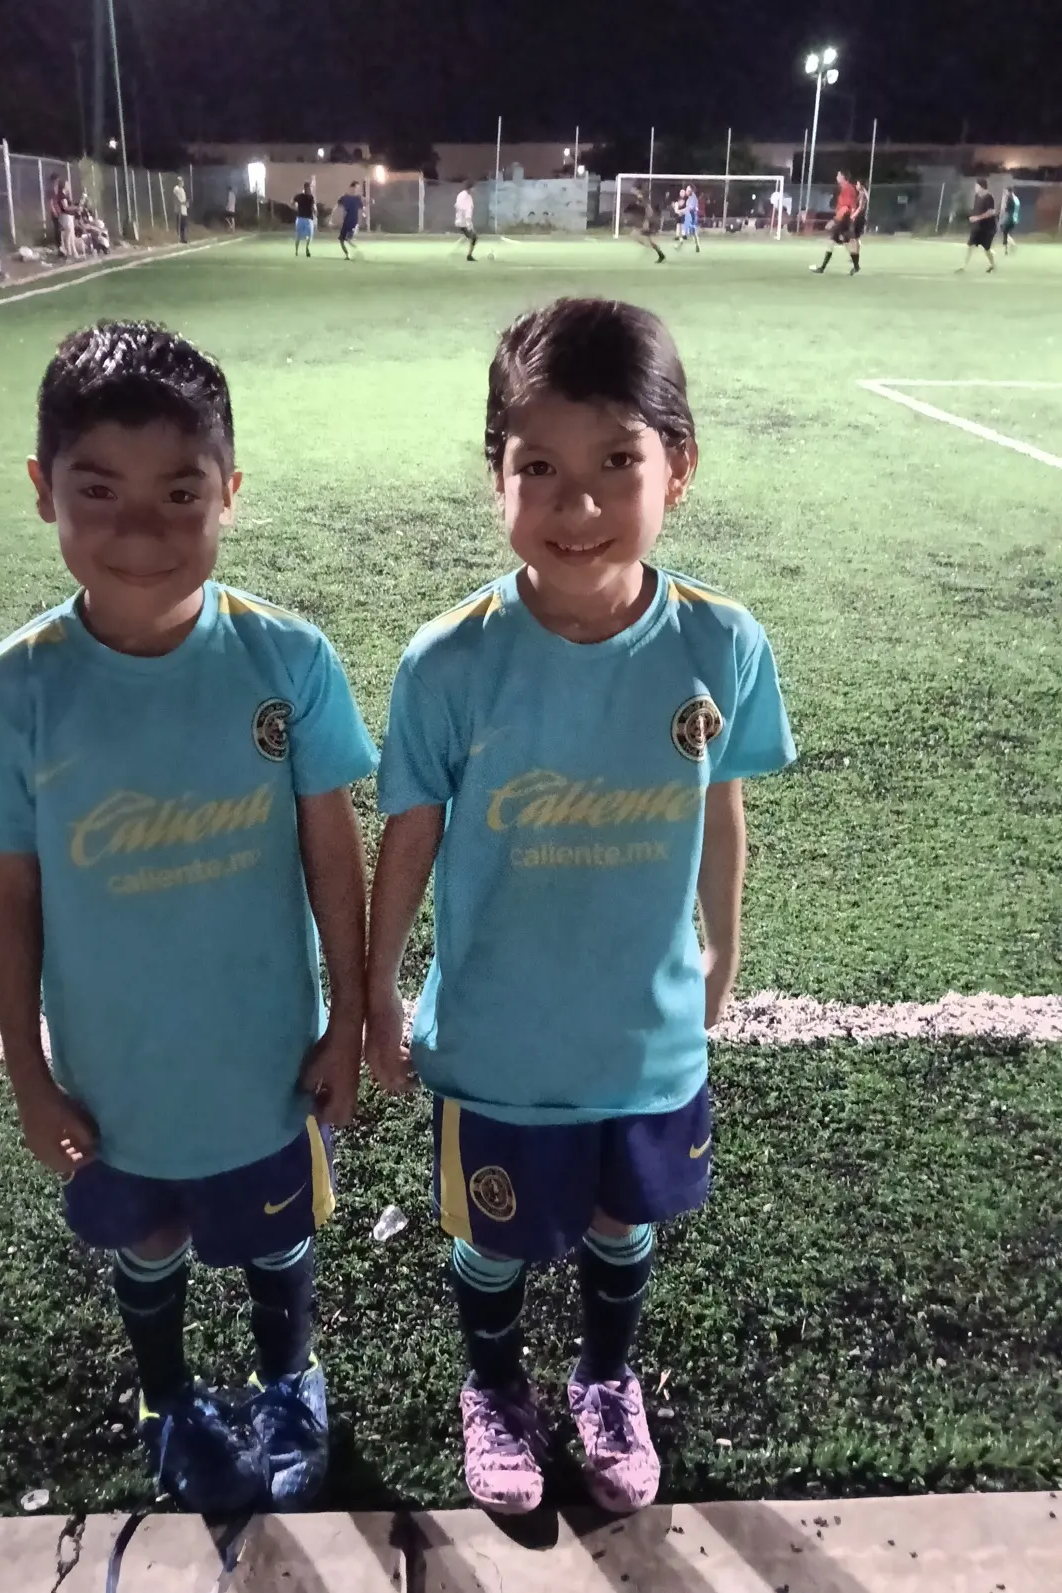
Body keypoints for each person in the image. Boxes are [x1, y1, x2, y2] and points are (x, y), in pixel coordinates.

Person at [0, 322, 377, 1514]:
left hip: (263, 1062)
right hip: (114, 1078)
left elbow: (331, 849)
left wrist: (346, 1019)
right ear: (43, 493)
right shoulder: (18, 687)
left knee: (281, 1234)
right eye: (98, 491)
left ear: (232, 490)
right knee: (148, 1244)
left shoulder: (284, 658)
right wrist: (27, 1074)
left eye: (180, 493)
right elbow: (9, 893)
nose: (140, 530)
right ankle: (167, 1394)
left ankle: (291, 1380)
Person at [365, 297, 796, 1516]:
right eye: (538, 468)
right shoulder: (448, 660)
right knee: (496, 1234)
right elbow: (412, 831)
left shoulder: (721, 642)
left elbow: (720, 805)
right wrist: (381, 988)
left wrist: (726, 940)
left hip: (644, 1028)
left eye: (619, 463)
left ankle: (607, 1378)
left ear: (681, 468)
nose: (580, 505)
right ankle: (493, 1389)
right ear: (494, 477)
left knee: (622, 1213)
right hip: (499, 1033)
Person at [810, 169, 860, 275]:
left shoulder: (847, 189)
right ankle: (856, 266)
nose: (836, 177)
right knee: (845, 242)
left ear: (843, 177)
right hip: (845, 218)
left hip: (843, 218)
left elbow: (846, 207)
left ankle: (822, 268)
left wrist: (835, 220)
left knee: (832, 241)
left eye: (838, 175)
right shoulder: (846, 188)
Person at [960, 178, 998, 272]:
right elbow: (976, 209)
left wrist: (977, 218)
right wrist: (971, 216)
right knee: (970, 246)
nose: (975, 188)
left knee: (987, 249)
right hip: (977, 227)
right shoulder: (977, 196)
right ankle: (963, 267)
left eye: (976, 186)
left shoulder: (989, 197)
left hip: (988, 228)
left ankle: (992, 265)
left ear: (981, 186)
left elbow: (992, 212)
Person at [626, 185, 665, 263]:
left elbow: (649, 214)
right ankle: (660, 254)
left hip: (646, 224)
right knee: (641, 237)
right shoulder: (642, 202)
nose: (638, 195)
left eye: (639, 194)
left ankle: (654, 250)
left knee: (635, 235)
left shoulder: (645, 203)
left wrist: (646, 222)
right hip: (645, 223)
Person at [336, 180, 365, 259]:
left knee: (348, 239)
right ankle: (347, 255)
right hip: (346, 221)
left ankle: (358, 250)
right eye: (356, 188)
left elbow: (362, 207)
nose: (357, 190)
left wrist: (364, 213)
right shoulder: (345, 197)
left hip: (353, 222)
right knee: (341, 240)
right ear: (351, 188)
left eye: (358, 188)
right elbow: (337, 204)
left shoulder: (357, 198)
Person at [455, 182, 478, 262]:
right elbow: (467, 212)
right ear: (470, 188)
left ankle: (455, 250)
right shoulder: (467, 198)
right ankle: (469, 255)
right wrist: (470, 225)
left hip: (459, 220)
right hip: (463, 222)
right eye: (474, 187)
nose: (475, 189)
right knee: (474, 237)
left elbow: (457, 206)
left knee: (467, 237)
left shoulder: (460, 195)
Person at [293, 182, 317, 257]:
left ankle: (307, 248)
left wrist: (315, 211)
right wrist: (296, 205)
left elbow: (313, 206)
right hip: (300, 218)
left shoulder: (311, 197)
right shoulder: (299, 196)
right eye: (309, 188)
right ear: (305, 188)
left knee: (310, 235)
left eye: (310, 188)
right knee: (298, 236)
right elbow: (293, 202)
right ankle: (296, 251)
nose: (310, 189)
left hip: (309, 219)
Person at [676, 185, 701, 253]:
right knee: (685, 231)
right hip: (689, 216)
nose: (686, 191)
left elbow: (690, 208)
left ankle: (697, 245)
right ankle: (680, 246)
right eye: (687, 189)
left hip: (692, 217)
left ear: (691, 191)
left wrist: (681, 211)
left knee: (691, 232)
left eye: (688, 190)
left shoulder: (692, 198)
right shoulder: (688, 197)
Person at [999, 183, 1020, 252]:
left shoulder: (1009, 198)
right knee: (1005, 232)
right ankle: (1008, 248)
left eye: (1006, 191)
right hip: (1014, 218)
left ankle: (1010, 246)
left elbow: (1004, 208)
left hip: (1009, 217)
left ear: (1008, 191)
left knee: (1003, 229)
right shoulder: (1015, 198)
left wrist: (1003, 198)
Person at [48, 174, 64, 252]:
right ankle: (59, 245)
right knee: (57, 228)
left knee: (61, 228)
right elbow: (50, 202)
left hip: (59, 210)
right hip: (55, 211)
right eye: (56, 180)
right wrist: (53, 211)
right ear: (53, 180)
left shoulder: (58, 188)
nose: (57, 181)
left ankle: (62, 243)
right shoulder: (51, 189)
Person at [173, 178, 189, 244]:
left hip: (184, 210)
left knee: (183, 225)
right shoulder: (176, 188)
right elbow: (176, 198)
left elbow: (183, 199)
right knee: (179, 224)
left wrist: (186, 204)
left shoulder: (182, 189)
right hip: (179, 209)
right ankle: (179, 238)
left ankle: (183, 238)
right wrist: (182, 203)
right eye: (181, 181)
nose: (182, 182)